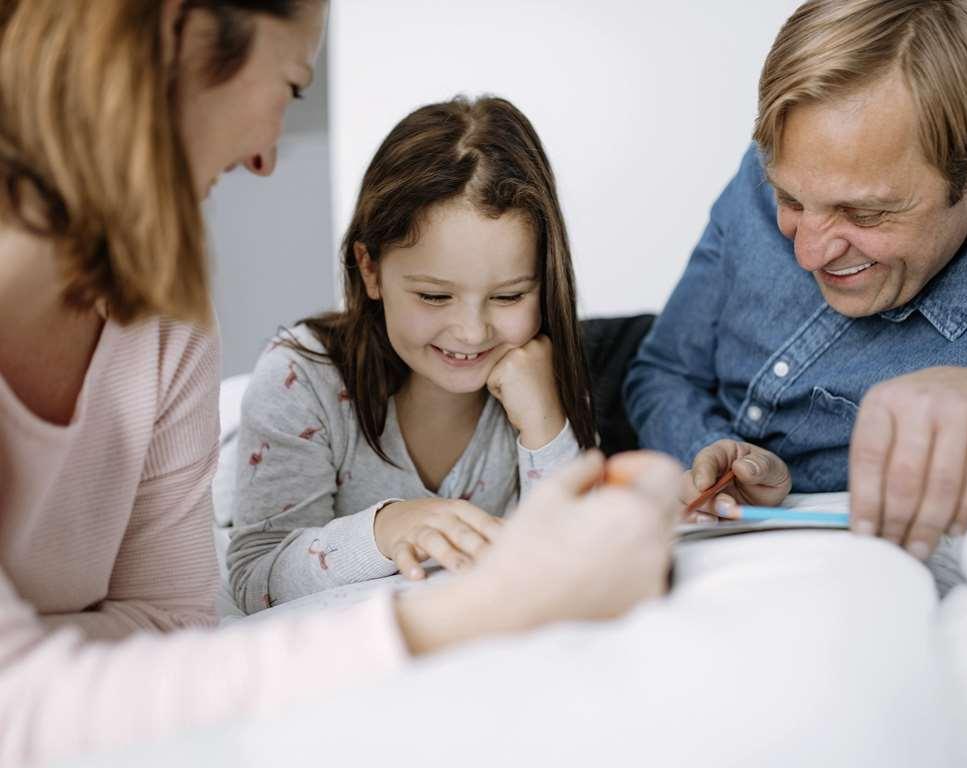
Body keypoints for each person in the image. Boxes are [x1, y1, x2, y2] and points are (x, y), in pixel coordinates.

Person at [0, 1, 682, 765]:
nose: (266, 159)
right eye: (292, 87)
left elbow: (170, 625)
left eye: (504, 296)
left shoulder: (170, 322)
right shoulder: (301, 373)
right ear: (181, 33)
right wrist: (464, 586)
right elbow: (235, 582)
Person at [626, 0, 967, 559]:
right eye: (789, 199)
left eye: (865, 214)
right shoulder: (770, 169)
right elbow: (663, 372)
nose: (809, 253)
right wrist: (709, 454)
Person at [228, 97, 595, 612]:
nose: (471, 332)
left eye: (509, 296)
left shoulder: (539, 375)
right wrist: (387, 528)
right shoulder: (298, 379)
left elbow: (577, 557)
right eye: (434, 296)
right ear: (370, 270)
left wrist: (544, 425)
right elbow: (253, 578)